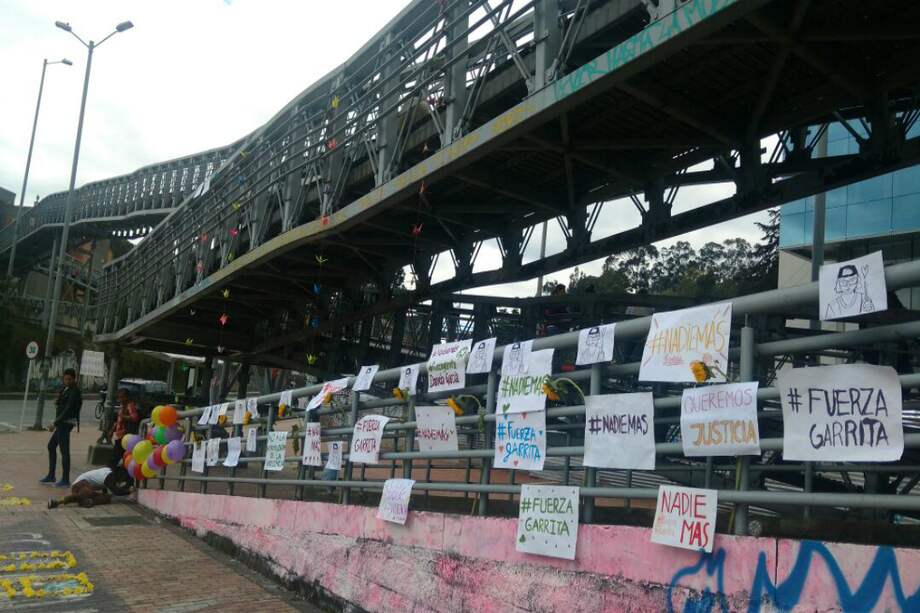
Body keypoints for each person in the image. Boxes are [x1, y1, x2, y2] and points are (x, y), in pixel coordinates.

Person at [40, 368, 82, 487]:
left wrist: (55, 423)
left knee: (64, 451)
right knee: (51, 446)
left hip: (66, 423)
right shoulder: (65, 389)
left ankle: (65, 479)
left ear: (74, 379)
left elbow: (68, 409)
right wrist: (57, 402)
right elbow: (61, 404)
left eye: (69, 379)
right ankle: (51, 475)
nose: (67, 381)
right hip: (61, 422)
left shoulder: (75, 391)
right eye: (65, 379)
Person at [47, 466, 133, 509]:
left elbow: (102, 483)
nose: (122, 482)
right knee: (86, 493)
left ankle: (85, 502)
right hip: (79, 485)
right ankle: (58, 502)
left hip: (89, 489)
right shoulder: (110, 477)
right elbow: (116, 491)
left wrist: (104, 492)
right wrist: (129, 491)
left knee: (107, 498)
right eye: (123, 480)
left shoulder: (109, 471)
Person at [110, 388, 140, 463]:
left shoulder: (130, 406)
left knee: (116, 457)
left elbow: (135, 418)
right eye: (119, 397)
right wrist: (112, 430)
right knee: (118, 456)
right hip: (119, 435)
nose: (120, 399)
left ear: (127, 397)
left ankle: (112, 470)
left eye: (122, 397)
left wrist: (124, 416)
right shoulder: (122, 406)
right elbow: (118, 420)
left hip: (125, 435)